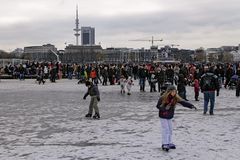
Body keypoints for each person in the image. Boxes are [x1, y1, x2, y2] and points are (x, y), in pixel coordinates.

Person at [156, 85, 197, 151]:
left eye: (175, 91)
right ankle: (164, 143)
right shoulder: (163, 98)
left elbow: (183, 102)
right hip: (163, 116)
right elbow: (158, 106)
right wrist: (164, 109)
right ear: (169, 92)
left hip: (170, 115)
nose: (174, 93)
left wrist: (191, 106)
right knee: (165, 129)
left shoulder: (175, 98)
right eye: (173, 91)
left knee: (170, 130)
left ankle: (169, 142)